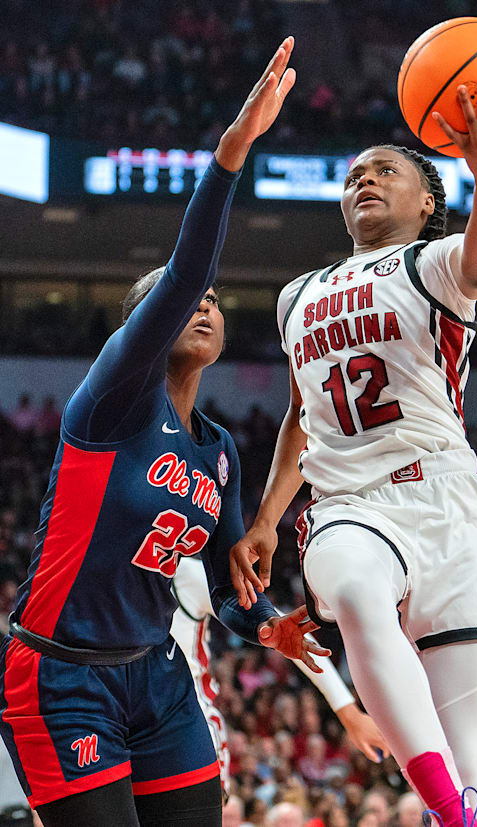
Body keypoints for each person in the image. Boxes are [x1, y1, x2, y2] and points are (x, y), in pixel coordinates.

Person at [0, 38, 328, 827]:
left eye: (216, 300)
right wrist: (230, 155)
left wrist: (267, 625)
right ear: (145, 326)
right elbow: (184, 271)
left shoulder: (215, 449)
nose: (204, 302)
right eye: (187, 298)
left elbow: (222, 585)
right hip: (62, 675)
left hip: (157, 672)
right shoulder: (112, 399)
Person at [230, 75, 477, 827]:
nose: (364, 180)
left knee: (472, 770)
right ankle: (452, 811)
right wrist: (270, 514)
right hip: (347, 504)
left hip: (450, 506)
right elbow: (302, 411)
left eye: (385, 170)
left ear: (428, 202)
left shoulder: (432, 264)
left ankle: (458, 810)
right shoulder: (296, 293)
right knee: (360, 593)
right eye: (353, 176)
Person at [170, 555, 388, 796]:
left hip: (189, 726)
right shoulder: (123, 581)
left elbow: (289, 633)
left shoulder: (185, 575)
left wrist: (347, 710)